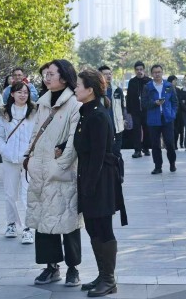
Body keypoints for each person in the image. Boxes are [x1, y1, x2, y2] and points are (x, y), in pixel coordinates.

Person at [25, 59, 83, 287]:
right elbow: (34, 134)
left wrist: (59, 167)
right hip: (39, 170)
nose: (46, 78)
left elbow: (74, 140)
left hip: (61, 172)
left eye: (51, 73)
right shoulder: (43, 102)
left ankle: (73, 268)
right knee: (43, 219)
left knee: (67, 220)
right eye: (45, 74)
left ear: (65, 77)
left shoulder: (74, 103)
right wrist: (29, 159)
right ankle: (51, 266)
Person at [74, 68, 126, 297]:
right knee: (93, 226)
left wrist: (89, 186)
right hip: (90, 176)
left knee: (103, 227)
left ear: (90, 90)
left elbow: (97, 155)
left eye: (78, 85)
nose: (75, 89)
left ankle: (109, 279)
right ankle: (102, 274)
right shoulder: (87, 112)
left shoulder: (98, 115)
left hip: (100, 179)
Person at [0, 82, 37, 244]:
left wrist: (31, 151)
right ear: (12, 94)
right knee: (10, 194)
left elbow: (37, 134)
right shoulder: (4, 112)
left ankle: (27, 228)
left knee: (27, 194)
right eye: (19, 92)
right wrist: (5, 150)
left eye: (25, 92)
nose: (23, 95)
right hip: (9, 158)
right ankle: (11, 223)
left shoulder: (34, 111)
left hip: (28, 159)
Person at [142, 64, 178, 174]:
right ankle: (158, 166)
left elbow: (175, 102)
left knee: (169, 143)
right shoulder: (147, 87)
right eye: (155, 72)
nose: (157, 74)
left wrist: (173, 114)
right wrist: (154, 103)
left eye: (159, 72)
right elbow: (144, 104)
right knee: (155, 144)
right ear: (151, 74)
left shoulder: (168, 86)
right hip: (153, 119)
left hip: (167, 118)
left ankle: (172, 163)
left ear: (162, 73)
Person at [98, 65, 126, 181]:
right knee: (105, 153)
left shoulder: (117, 90)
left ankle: (120, 175)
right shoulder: (96, 91)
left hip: (117, 127)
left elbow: (123, 107)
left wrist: (124, 120)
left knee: (116, 152)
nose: (108, 76)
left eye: (110, 74)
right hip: (102, 127)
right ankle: (108, 176)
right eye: (105, 74)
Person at [126, 61, 152, 158]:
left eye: (141, 69)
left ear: (144, 70)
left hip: (146, 110)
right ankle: (137, 150)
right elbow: (128, 96)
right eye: (137, 70)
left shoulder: (149, 81)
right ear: (135, 71)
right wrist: (129, 110)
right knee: (136, 130)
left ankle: (146, 148)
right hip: (135, 110)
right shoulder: (132, 82)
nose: (139, 71)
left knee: (147, 129)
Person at [168, 75, 185, 150]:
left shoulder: (178, 89)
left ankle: (175, 144)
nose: (176, 82)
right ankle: (171, 144)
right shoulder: (167, 89)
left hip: (178, 113)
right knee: (171, 129)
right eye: (174, 80)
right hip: (170, 112)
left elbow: (180, 101)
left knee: (177, 129)